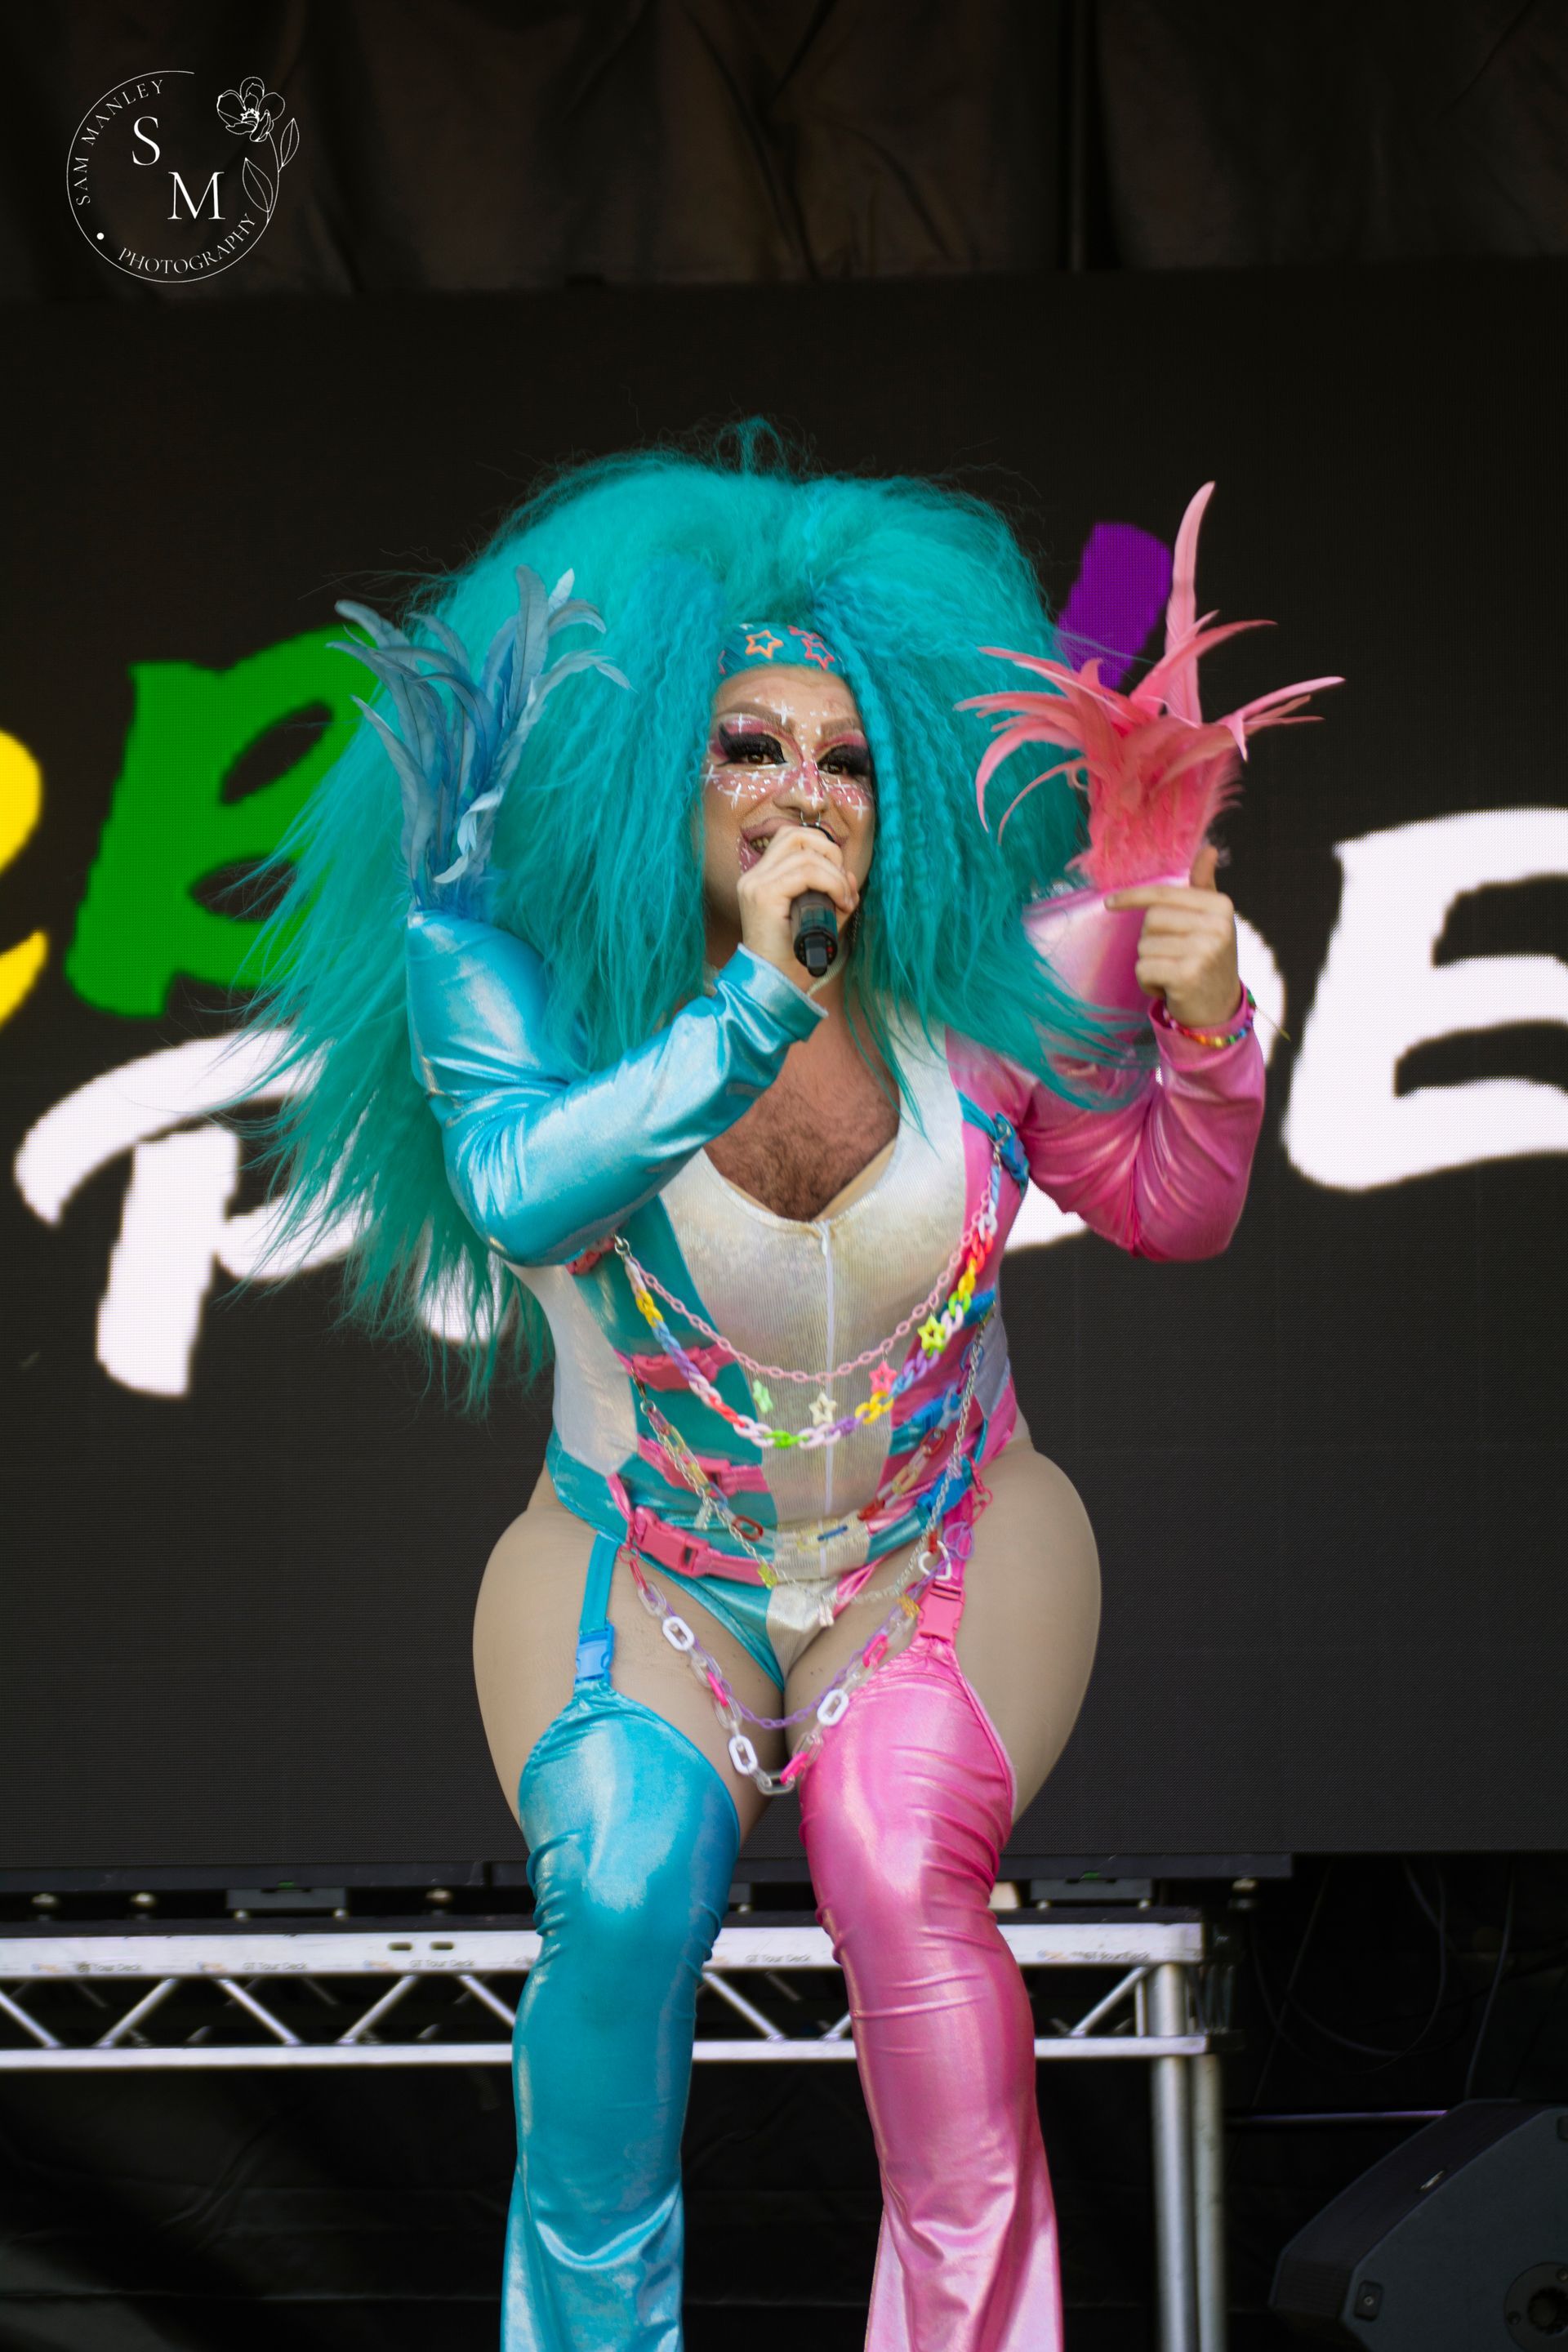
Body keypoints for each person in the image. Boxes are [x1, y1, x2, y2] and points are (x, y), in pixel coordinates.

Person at [245, 434, 1281, 2352]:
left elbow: (1172, 1209)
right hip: (639, 1562)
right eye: (751, 748)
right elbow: (519, 1182)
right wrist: (752, 1005)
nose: (803, 789)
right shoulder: (514, 976)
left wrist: (1208, 1033)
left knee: (902, 1871)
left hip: (943, 1535)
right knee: (623, 1906)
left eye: (846, 758)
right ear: (662, 776)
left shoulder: (989, 993)